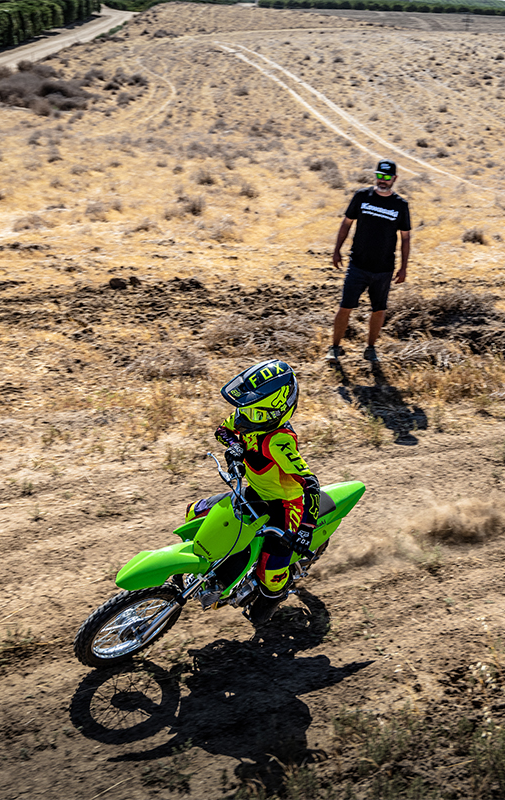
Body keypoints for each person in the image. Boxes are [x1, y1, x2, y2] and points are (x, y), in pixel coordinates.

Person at [183, 359, 321, 626]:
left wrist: (305, 528)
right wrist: (234, 447)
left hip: (286, 507)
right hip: (254, 493)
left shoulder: (279, 442)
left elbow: (311, 485)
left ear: (274, 412)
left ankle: (271, 597)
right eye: (243, 410)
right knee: (194, 512)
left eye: (254, 414)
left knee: (271, 575)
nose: (243, 418)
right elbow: (222, 431)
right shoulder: (247, 416)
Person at [328, 158, 412, 364]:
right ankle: (335, 348)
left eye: (387, 177)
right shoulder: (362, 197)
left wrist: (403, 268)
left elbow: (406, 237)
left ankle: (371, 348)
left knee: (379, 310)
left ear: (394, 179)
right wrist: (337, 250)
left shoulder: (400, 205)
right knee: (345, 307)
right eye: (379, 176)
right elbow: (346, 223)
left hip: (383, 268)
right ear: (376, 176)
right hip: (358, 264)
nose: (382, 180)